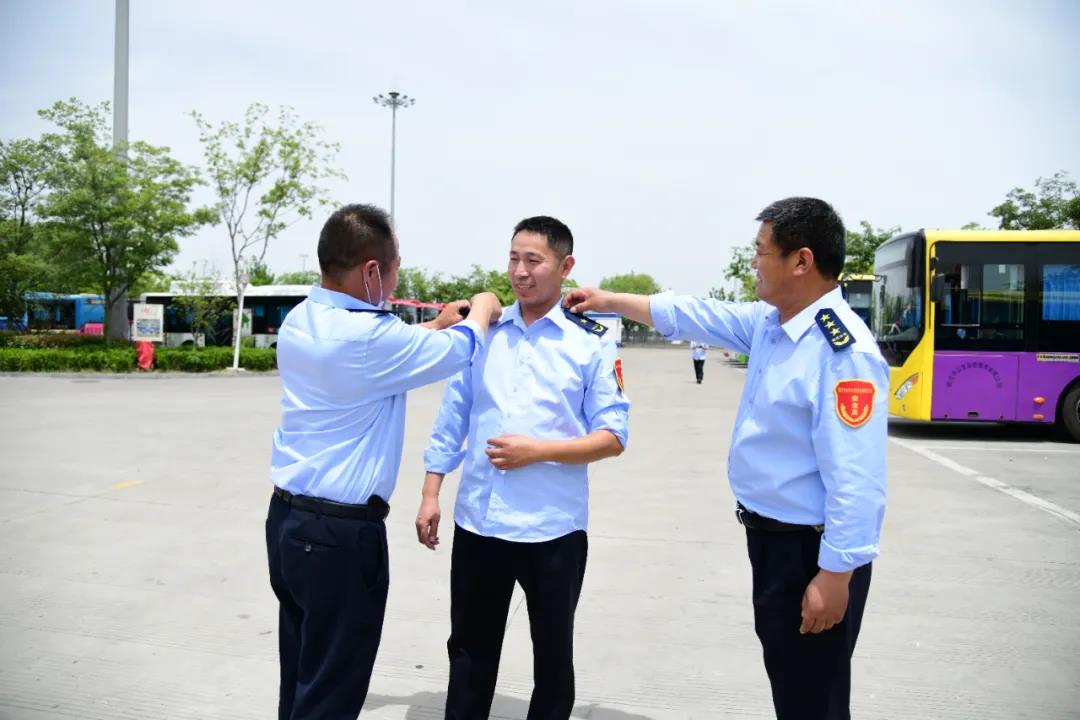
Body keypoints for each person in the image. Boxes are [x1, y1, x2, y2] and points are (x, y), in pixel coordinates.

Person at [564, 197, 887, 720]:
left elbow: (858, 479)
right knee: (793, 686)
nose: (753, 262)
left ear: (801, 261)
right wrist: (608, 300)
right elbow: (693, 313)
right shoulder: (773, 324)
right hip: (773, 542)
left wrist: (835, 576)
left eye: (761, 251)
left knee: (814, 696)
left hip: (810, 551)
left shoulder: (842, 353)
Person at [265, 203, 503, 720]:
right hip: (338, 539)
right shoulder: (367, 338)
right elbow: (461, 349)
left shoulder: (302, 319)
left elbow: (386, 351)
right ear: (372, 270)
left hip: (288, 523)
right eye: (394, 269)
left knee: (303, 676)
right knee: (332, 692)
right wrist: (483, 307)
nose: (395, 281)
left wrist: (434, 323)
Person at [416, 216, 630, 720]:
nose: (520, 271)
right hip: (480, 523)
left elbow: (613, 436)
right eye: (514, 258)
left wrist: (537, 451)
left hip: (552, 531)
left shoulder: (591, 340)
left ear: (565, 266)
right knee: (469, 650)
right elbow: (452, 417)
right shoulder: (484, 333)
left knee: (553, 659)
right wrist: (430, 492)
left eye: (534, 260)